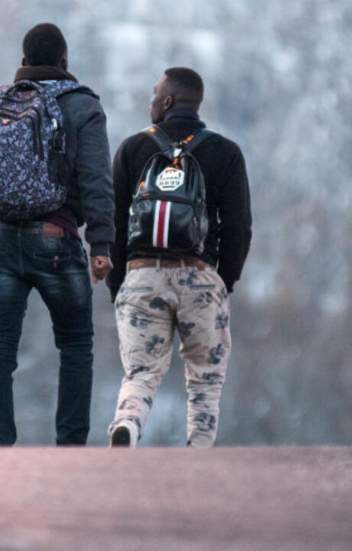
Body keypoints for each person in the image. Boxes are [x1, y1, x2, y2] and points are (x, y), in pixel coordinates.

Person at [0, 23, 115, 446]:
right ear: (64, 62)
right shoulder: (82, 105)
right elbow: (97, 178)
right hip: (56, 239)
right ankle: (70, 448)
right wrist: (100, 244)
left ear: (22, 61)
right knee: (76, 344)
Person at [106, 67, 252, 448]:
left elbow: (113, 224)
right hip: (200, 279)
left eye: (155, 93)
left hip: (142, 277)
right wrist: (225, 282)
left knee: (140, 372)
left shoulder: (132, 148)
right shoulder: (226, 152)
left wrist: (119, 283)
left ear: (168, 101)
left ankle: (128, 424)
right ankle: (198, 453)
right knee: (205, 378)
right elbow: (239, 227)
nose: (151, 100)